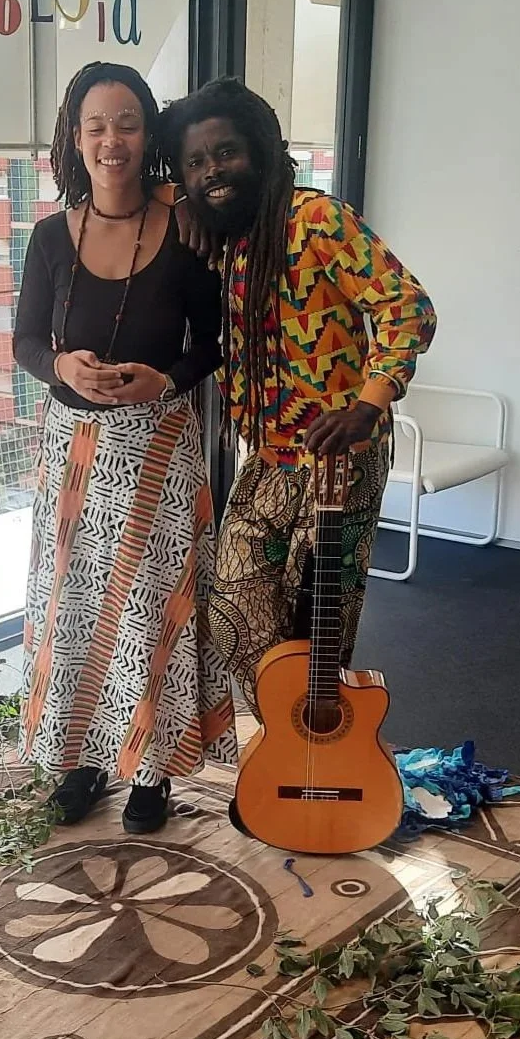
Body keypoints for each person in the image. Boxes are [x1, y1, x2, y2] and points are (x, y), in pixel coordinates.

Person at [162, 78, 437, 712]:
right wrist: (178, 197)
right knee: (234, 609)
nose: (212, 172)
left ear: (259, 149)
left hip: (341, 458)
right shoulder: (223, 235)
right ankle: (287, 744)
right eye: (196, 163)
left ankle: (311, 760)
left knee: (319, 628)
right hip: (269, 458)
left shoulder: (317, 220)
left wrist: (368, 404)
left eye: (225, 153)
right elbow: (156, 187)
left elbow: (406, 306)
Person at [15, 61, 237, 833]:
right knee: (76, 609)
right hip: (74, 452)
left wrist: (164, 382)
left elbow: (212, 346)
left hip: (159, 447)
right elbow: (23, 344)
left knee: (151, 611)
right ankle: (80, 761)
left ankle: (153, 771)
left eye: (128, 124)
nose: (113, 141)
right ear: (75, 139)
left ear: (150, 134)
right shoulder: (49, 236)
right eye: (96, 126)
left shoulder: (186, 228)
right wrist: (60, 365)